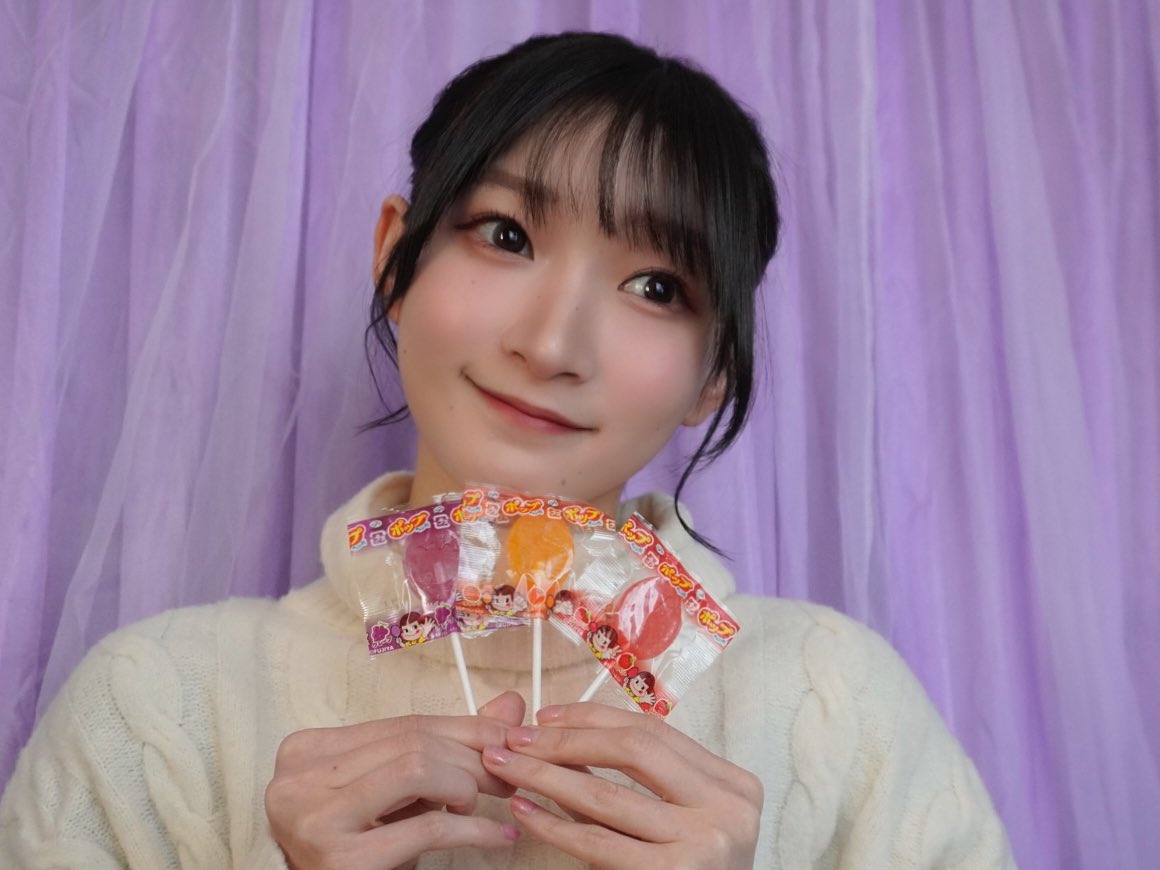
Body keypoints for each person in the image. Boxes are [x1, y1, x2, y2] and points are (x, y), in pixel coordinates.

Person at [0, 32, 1014, 869]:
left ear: (715, 373)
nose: (551, 344)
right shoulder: (154, 704)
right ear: (395, 256)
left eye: (656, 287)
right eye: (506, 235)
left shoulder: (841, 709)